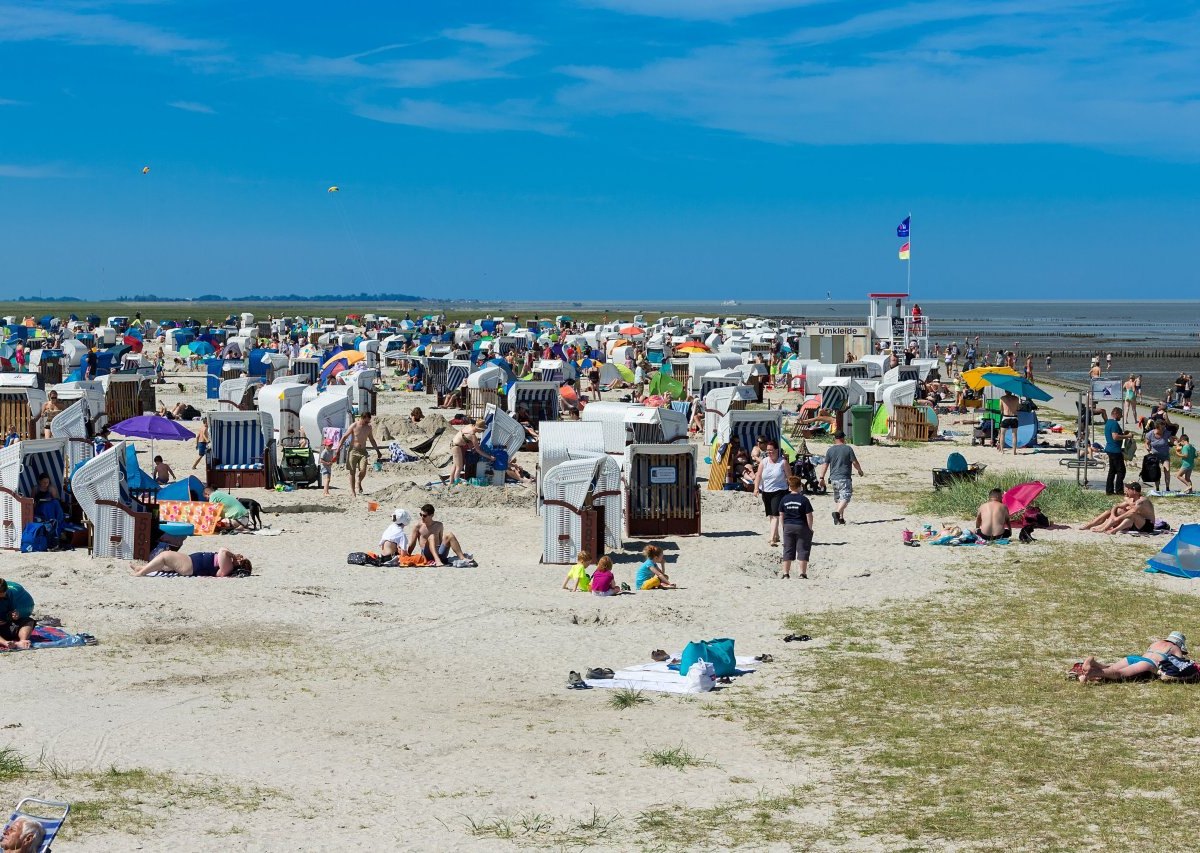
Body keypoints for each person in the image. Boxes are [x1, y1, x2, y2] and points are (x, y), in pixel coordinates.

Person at [1076, 631, 1187, 682]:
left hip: (1135, 658)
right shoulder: (1175, 648)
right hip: (1149, 663)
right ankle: (1091, 673)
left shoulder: (1156, 643)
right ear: (1179, 644)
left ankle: (1094, 664)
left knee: (1112, 668)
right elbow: (1181, 664)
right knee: (1119, 674)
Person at [405, 504, 473, 567]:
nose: (422, 517)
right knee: (431, 536)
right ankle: (437, 561)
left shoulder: (439, 525)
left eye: (424, 515)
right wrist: (408, 555)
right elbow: (412, 543)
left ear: (431, 515)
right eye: (421, 514)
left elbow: (441, 540)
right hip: (426, 554)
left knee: (449, 534)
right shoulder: (418, 526)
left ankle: (462, 558)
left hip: (439, 552)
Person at [819, 431, 864, 525]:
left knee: (839, 498)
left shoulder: (830, 450)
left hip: (833, 478)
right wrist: (860, 470)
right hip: (844, 477)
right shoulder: (848, 449)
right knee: (846, 496)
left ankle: (840, 519)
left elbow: (825, 464)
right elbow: (854, 462)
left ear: (835, 438)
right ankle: (837, 513)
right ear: (843, 438)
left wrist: (821, 477)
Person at [336, 412, 384, 498]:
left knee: (363, 470)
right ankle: (353, 491)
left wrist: (378, 451)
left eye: (368, 421)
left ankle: (359, 482)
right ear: (362, 418)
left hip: (363, 451)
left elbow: (372, 440)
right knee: (352, 471)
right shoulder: (354, 425)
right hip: (353, 451)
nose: (367, 423)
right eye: (366, 421)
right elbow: (344, 437)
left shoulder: (368, 427)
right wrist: (338, 448)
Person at [753, 440, 790, 545]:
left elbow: (789, 477)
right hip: (766, 491)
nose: (769, 452)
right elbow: (758, 476)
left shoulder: (783, 462)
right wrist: (756, 488)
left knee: (775, 515)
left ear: (777, 450)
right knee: (771, 514)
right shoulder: (764, 461)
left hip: (780, 490)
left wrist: (793, 490)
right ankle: (777, 535)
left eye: (771, 450)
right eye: (768, 450)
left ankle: (772, 538)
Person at [1080, 482, 1155, 534]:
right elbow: (1116, 506)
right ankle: (1089, 525)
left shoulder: (1141, 501)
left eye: (1128, 489)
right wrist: (1113, 514)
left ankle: (1111, 529)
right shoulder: (1131, 500)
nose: (1126, 491)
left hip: (1147, 525)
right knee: (1113, 511)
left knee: (1131, 514)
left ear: (1134, 491)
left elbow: (1133, 512)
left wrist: (1118, 518)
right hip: (1134, 523)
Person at [778, 476, 814, 579]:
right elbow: (809, 515)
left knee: (788, 549)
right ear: (799, 487)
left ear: (789, 487)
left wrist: (783, 526)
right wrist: (810, 527)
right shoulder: (803, 499)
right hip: (801, 525)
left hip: (788, 526)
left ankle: (785, 573)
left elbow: (781, 514)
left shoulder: (784, 499)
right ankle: (802, 573)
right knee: (803, 549)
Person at [130, 548, 252, 577]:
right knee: (165, 565)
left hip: (191, 565)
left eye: (241, 560)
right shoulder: (228, 564)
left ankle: (140, 573)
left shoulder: (228, 567)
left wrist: (233, 555)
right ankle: (141, 568)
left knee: (165, 556)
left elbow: (222, 550)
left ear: (239, 565)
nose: (239, 558)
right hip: (191, 562)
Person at [1103, 407, 1135, 495]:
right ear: (1116, 414)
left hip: (1110, 448)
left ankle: (1109, 490)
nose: (1121, 417)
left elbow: (1114, 435)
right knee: (1121, 471)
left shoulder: (1108, 422)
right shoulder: (1114, 424)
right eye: (1120, 415)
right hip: (1115, 450)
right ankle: (1119, 490)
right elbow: (1115, 436)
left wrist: (1123, 434)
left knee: (1112, 471)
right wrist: (1128, 436)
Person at [0, 577, 36, 650]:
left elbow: (12, 610)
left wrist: (15, 615)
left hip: (7, 624)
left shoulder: (9, 594)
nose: (3, 595)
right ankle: (6, 643)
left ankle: (22, 641)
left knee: (28, 621)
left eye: (4, 592)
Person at [1145, 420, 1173, 491]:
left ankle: (1167, 488)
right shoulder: (1150, 434)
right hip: (1154, 455)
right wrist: (1148, 449)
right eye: (1162, 428)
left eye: (1164, 428)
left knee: (1167, 469)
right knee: (1156, 471)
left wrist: (1176, 443)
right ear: (1157, 428)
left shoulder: (1166, 433)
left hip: (1165, 455)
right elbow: (1146, 443)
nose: (1163, 429)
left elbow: (1172, 440)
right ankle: (1157, 488)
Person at [997, 390, 1021, 454]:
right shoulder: (1016, 398)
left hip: (1006, 417)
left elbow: (1001, 409)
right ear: (1012, 391)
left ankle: (1002, 451)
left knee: (1002, 434)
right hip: (1014, 417)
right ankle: (1014, 451)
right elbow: (1018, 408)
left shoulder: (1002, 398)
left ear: (1005, 391)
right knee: (1014, 435)